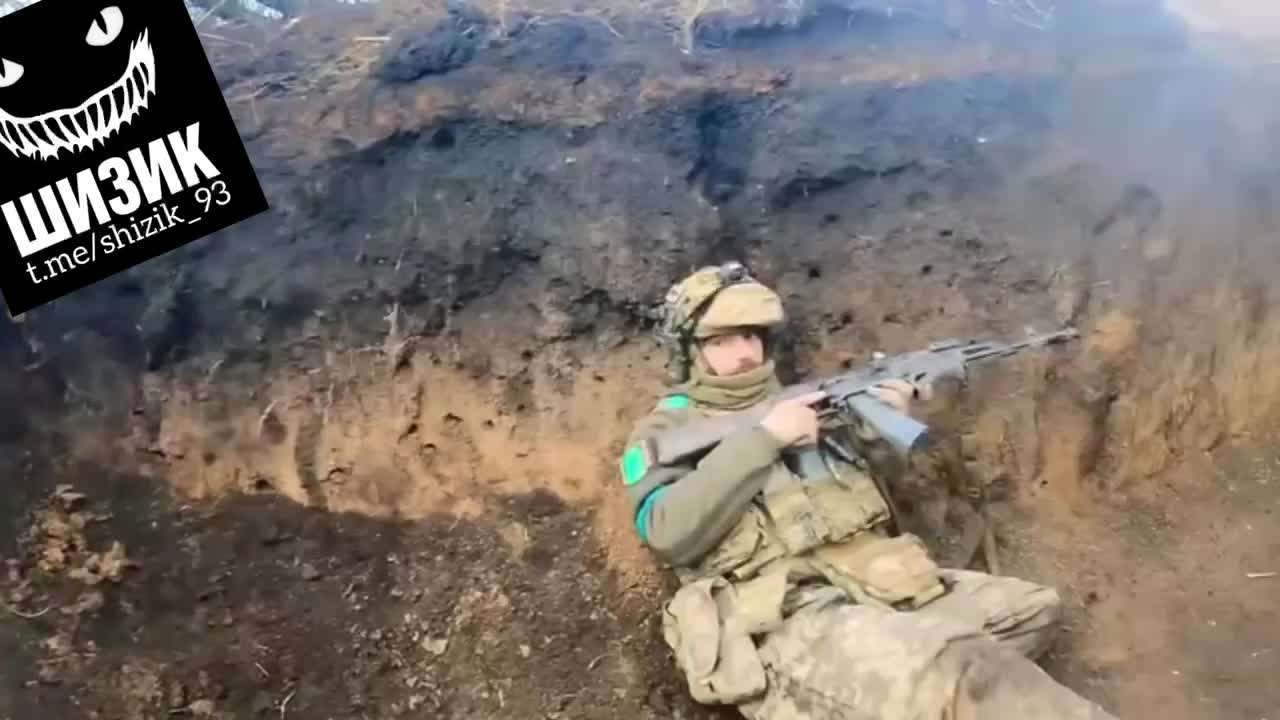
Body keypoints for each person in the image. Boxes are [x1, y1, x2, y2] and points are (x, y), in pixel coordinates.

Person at [619, 262, 1118, 720]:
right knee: (964, 667)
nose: (744, 352)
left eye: (751, 335)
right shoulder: (667, 432)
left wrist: (886, 423)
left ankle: (899, 687)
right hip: (788, 616)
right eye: (723, 340)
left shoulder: (808, 405)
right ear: (691, 350)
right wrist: (764, 439)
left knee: (1032, 609)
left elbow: (858, 500)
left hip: (874, 587)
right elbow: (666, 532)